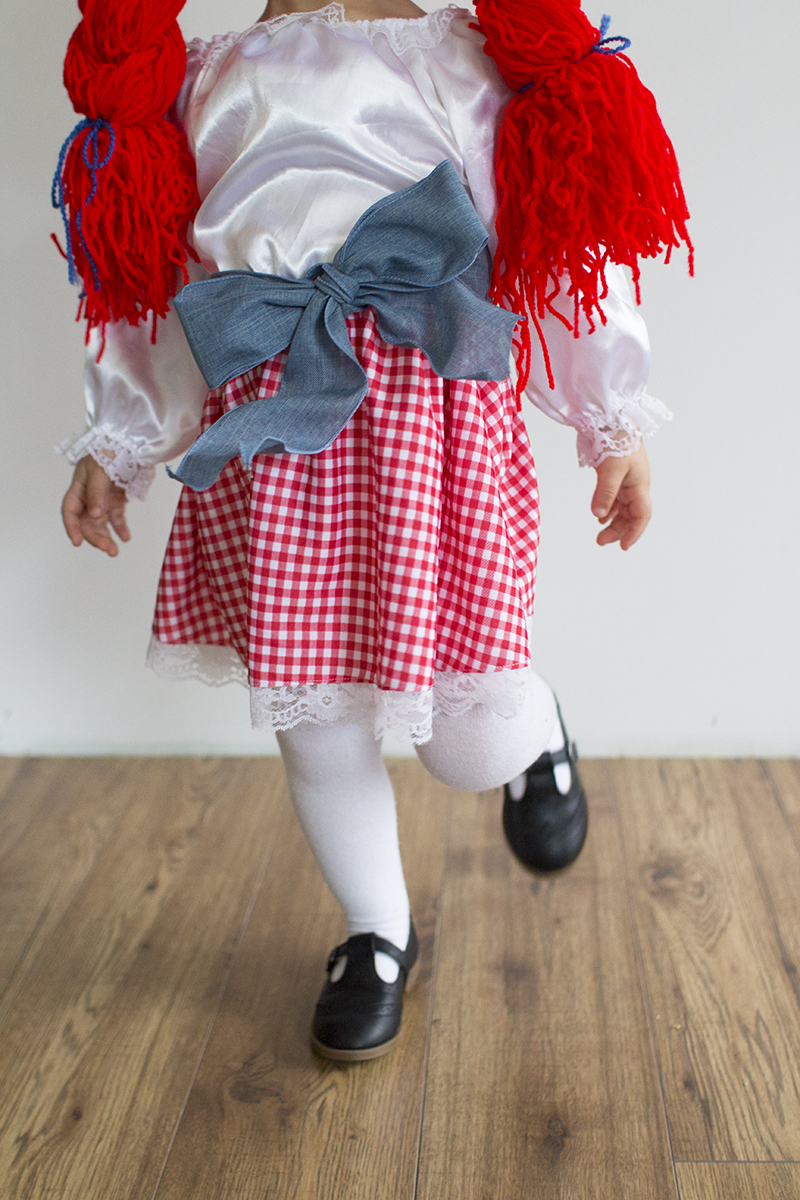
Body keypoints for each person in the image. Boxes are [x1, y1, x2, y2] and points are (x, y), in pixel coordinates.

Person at [58, 0, 675, 1061]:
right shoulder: (203, 82)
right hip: (278, 440)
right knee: (320, 724)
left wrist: (608, 416)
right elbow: (157, 290)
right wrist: (120, 442)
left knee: (465, 740)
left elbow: (559, 240)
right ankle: (375, 932)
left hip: (433, 426)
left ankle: (530, 732)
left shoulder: (459, 58)